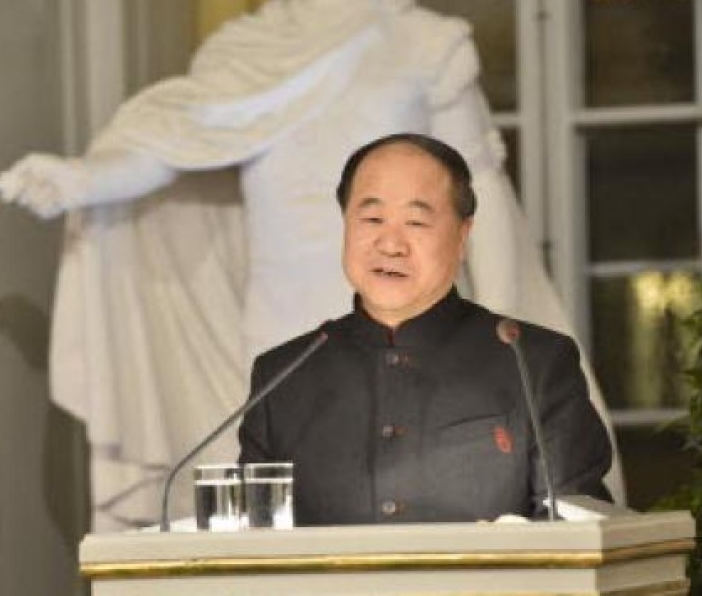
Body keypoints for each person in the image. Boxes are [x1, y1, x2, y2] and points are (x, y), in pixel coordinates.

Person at [0, 0, 621, 527]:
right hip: (286, 310)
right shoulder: (243, 50)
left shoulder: (425, 43)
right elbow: (173, 145)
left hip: (452, 344)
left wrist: (506, 331)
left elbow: (484, 199)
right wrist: (76, 179)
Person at [238, 134, 612, 524]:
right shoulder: (281, 376)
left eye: (416, 222)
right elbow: (248, 546)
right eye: (371, 219)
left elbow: (579, 532)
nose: (391, 244)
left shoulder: (532, 361)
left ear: (462, 236)